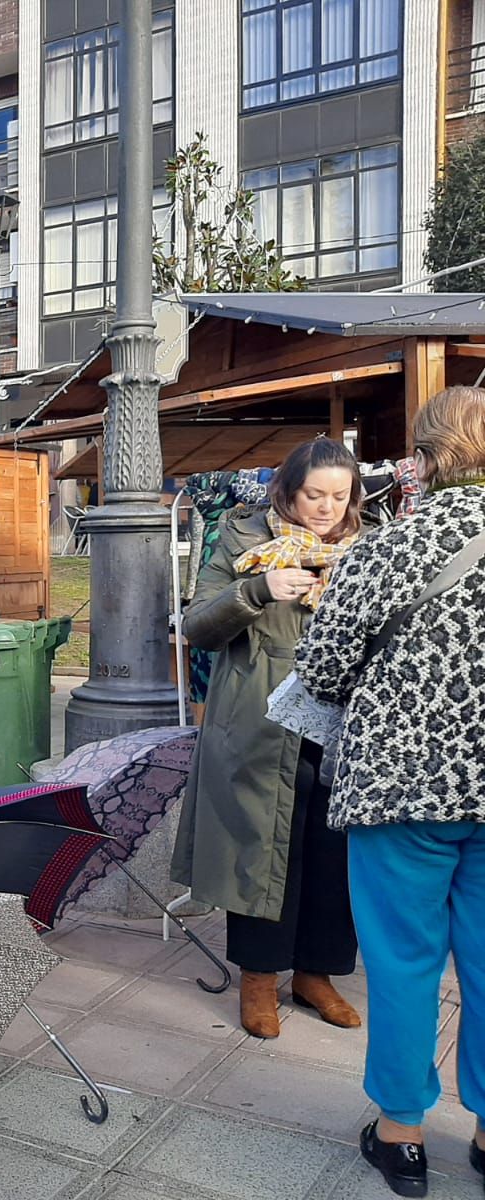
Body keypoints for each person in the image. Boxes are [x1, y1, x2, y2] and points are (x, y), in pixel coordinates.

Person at [296, 387, 485, 1198]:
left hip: (399, 785)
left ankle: (402, 1135)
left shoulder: (388, 549)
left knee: (403, 961)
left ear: (429, 457)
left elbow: (323, 668)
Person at [171, 438, 363, 1040]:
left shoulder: (370, 545)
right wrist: (256, 591)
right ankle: (257, 978)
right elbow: (196, 626)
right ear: (287, 488)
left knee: (332, 851)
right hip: (259, 715)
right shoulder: (244, 535)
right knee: (259, 843)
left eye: (340, 495)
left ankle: (316, 973)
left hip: (339, 719)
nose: (327, 508)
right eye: (315, 494)